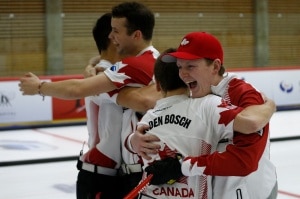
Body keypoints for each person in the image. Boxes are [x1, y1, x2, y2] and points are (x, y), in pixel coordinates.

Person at [19, 2, 160, 198]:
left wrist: (39, 87)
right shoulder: (156, 60)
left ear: (136, 35)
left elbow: (78, 89)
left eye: (116, 31)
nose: (112, 36)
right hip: (131, 169)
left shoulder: (132, 66)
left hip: (117, 171)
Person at [140, 32, 277, 199]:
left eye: (190, 66)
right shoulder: (197, 94)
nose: (182, 74)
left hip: (251, 194)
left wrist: (183, 166)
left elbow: (245, 161)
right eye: (180, 67)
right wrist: (136, 140)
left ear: (215, 67)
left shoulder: (243, 94)